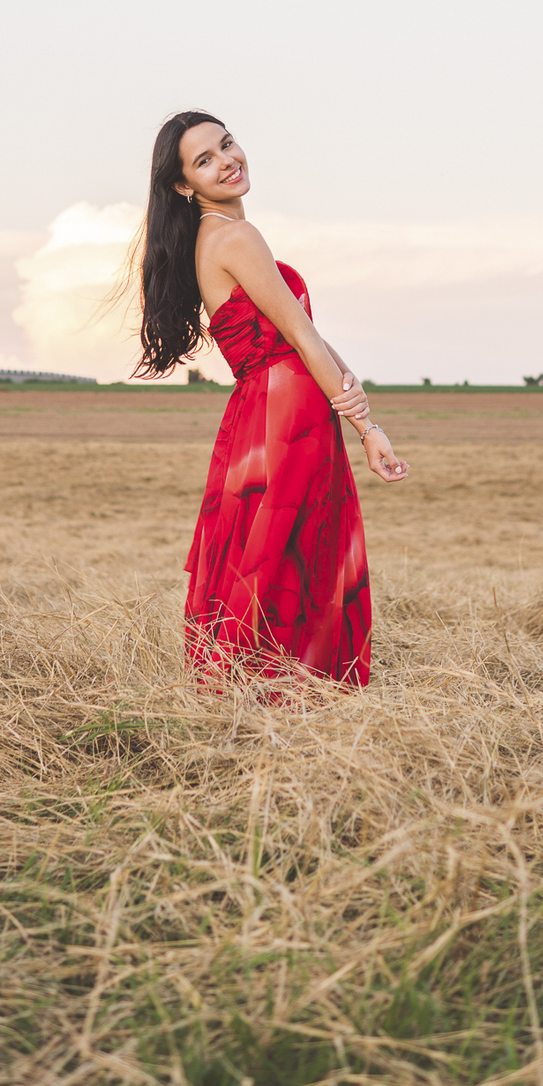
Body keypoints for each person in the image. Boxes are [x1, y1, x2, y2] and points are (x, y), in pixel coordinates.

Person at [133, 109, 408, 687]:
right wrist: (368, 429)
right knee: (292, 547)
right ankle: (285, 685)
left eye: (227, 144)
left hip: (266, 409)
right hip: (288, 414)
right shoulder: (236, 236)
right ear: (184, 185)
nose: (227, 161)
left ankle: (264, 683)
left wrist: (358, 402)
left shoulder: (213, 238)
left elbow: (304, 331)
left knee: (271, 546)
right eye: (204, 160)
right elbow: (303, 337)